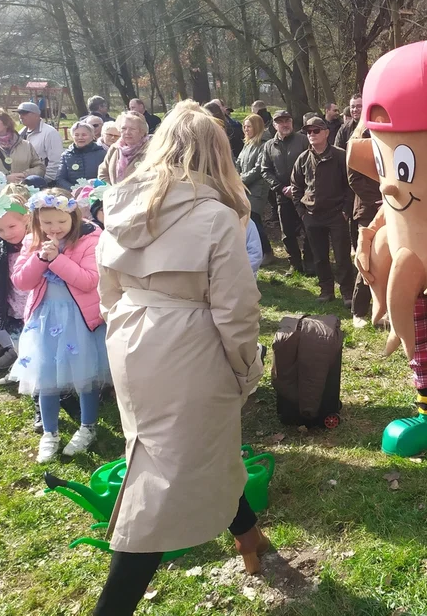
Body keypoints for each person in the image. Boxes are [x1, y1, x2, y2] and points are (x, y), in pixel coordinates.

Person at [93, 101, 268, 615]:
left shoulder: (118, 201)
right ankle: (115, 602)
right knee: (164, 473)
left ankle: (247, 534)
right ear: (217, 152)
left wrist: (127, 330)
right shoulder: (214, 215)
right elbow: (236, 309)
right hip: (189, 344)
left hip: (131, 337)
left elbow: (107, 290)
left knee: (187, 447)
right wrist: (246, 368)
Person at [10, 188, 111, 462]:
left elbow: (89, 280)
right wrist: (41, 258)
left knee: (84, 375)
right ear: (36, 222)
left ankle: (87, 426)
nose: (54, 229)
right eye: (47, 223)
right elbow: (21, 282)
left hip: (79, 320)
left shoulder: (90, 239)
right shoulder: (33, 241)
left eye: (61, 222)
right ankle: (50, 432)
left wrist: (57, 259)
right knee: (46, 376)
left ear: (74, 217)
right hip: (45, 319)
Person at [291, 116, 355, 305]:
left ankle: (347, 293)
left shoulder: (340, 156)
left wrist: (345, 210)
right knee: (319, 257)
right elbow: (296, 186)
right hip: (312, 216)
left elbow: (350, 186)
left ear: (326, 133)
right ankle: (326, 290)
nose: (312, 134)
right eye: (308, 132)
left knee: (342, 256)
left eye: (316, 130)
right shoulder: (302, 158)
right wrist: (302, 213)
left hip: (336, 215)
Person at [262, 110, 313, 276]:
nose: (285, 124)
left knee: (309, 229)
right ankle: (295, 264)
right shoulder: (269, 145)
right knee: (287, 232)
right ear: (275, 125)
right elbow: (265, 170)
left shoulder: (303, 140)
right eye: (281, 121)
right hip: (282, 196)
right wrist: (280, 188)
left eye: (287, 120)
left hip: (304, 194)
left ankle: (310, 263)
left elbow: (313, 166)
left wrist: (298, 188)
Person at [0, 185, 33, 374]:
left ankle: (55, 389)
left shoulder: (37, 245)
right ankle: (27, 381)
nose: (7, 233)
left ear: (26, 219)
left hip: (38, 311)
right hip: (14, 314)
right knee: (23, 352)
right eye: (0, 230)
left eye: (11, 226)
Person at [346, 122, 380, 326]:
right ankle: (358, 312)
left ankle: (381, 308)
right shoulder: (356, 142)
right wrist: (379, 199)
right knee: (367, 259)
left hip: (393, 209)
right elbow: (354, 179)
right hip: (368, 210)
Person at [237, 114, 274, 266]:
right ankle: (255, 250)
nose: (246, 129)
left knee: (254, 220)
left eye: (249, 126)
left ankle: (267, 252)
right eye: (244, 126)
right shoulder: (248, 143)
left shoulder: (263, 144)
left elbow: (258, 168)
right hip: (244, 188)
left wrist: (240, 180)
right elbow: (239, 161)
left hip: (257, 190)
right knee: (249, 220)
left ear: (257, 127)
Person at [17, 102, 64, 181]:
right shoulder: (20, 134)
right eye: (19, 113)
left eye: (24, 113)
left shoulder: (50, 133)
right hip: (24, 181)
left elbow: (56, 160)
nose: (21, 117)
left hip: (43, 181)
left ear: (36, 115)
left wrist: (47, 180)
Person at [0, 109, 45, 182]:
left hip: (23, 190)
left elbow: (40, 168)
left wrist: (24, 175)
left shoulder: (26, 145)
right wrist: (4, 179)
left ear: (6, 123)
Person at [99, 112, 149, 184]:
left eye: (132, 129)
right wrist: (110, 189)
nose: (127, 132)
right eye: (123, 128)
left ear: (142, 131)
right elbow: (103, 172)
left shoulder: (151, 149)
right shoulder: (115, 148)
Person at [57, 121, 107, 189]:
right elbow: (60, 179)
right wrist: (73, 189)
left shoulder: (102, 154)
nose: (80, 137)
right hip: (72, 193)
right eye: (76, 135)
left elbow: (107, 176)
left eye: (84, 135)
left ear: (92, 136)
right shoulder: (66, 155)